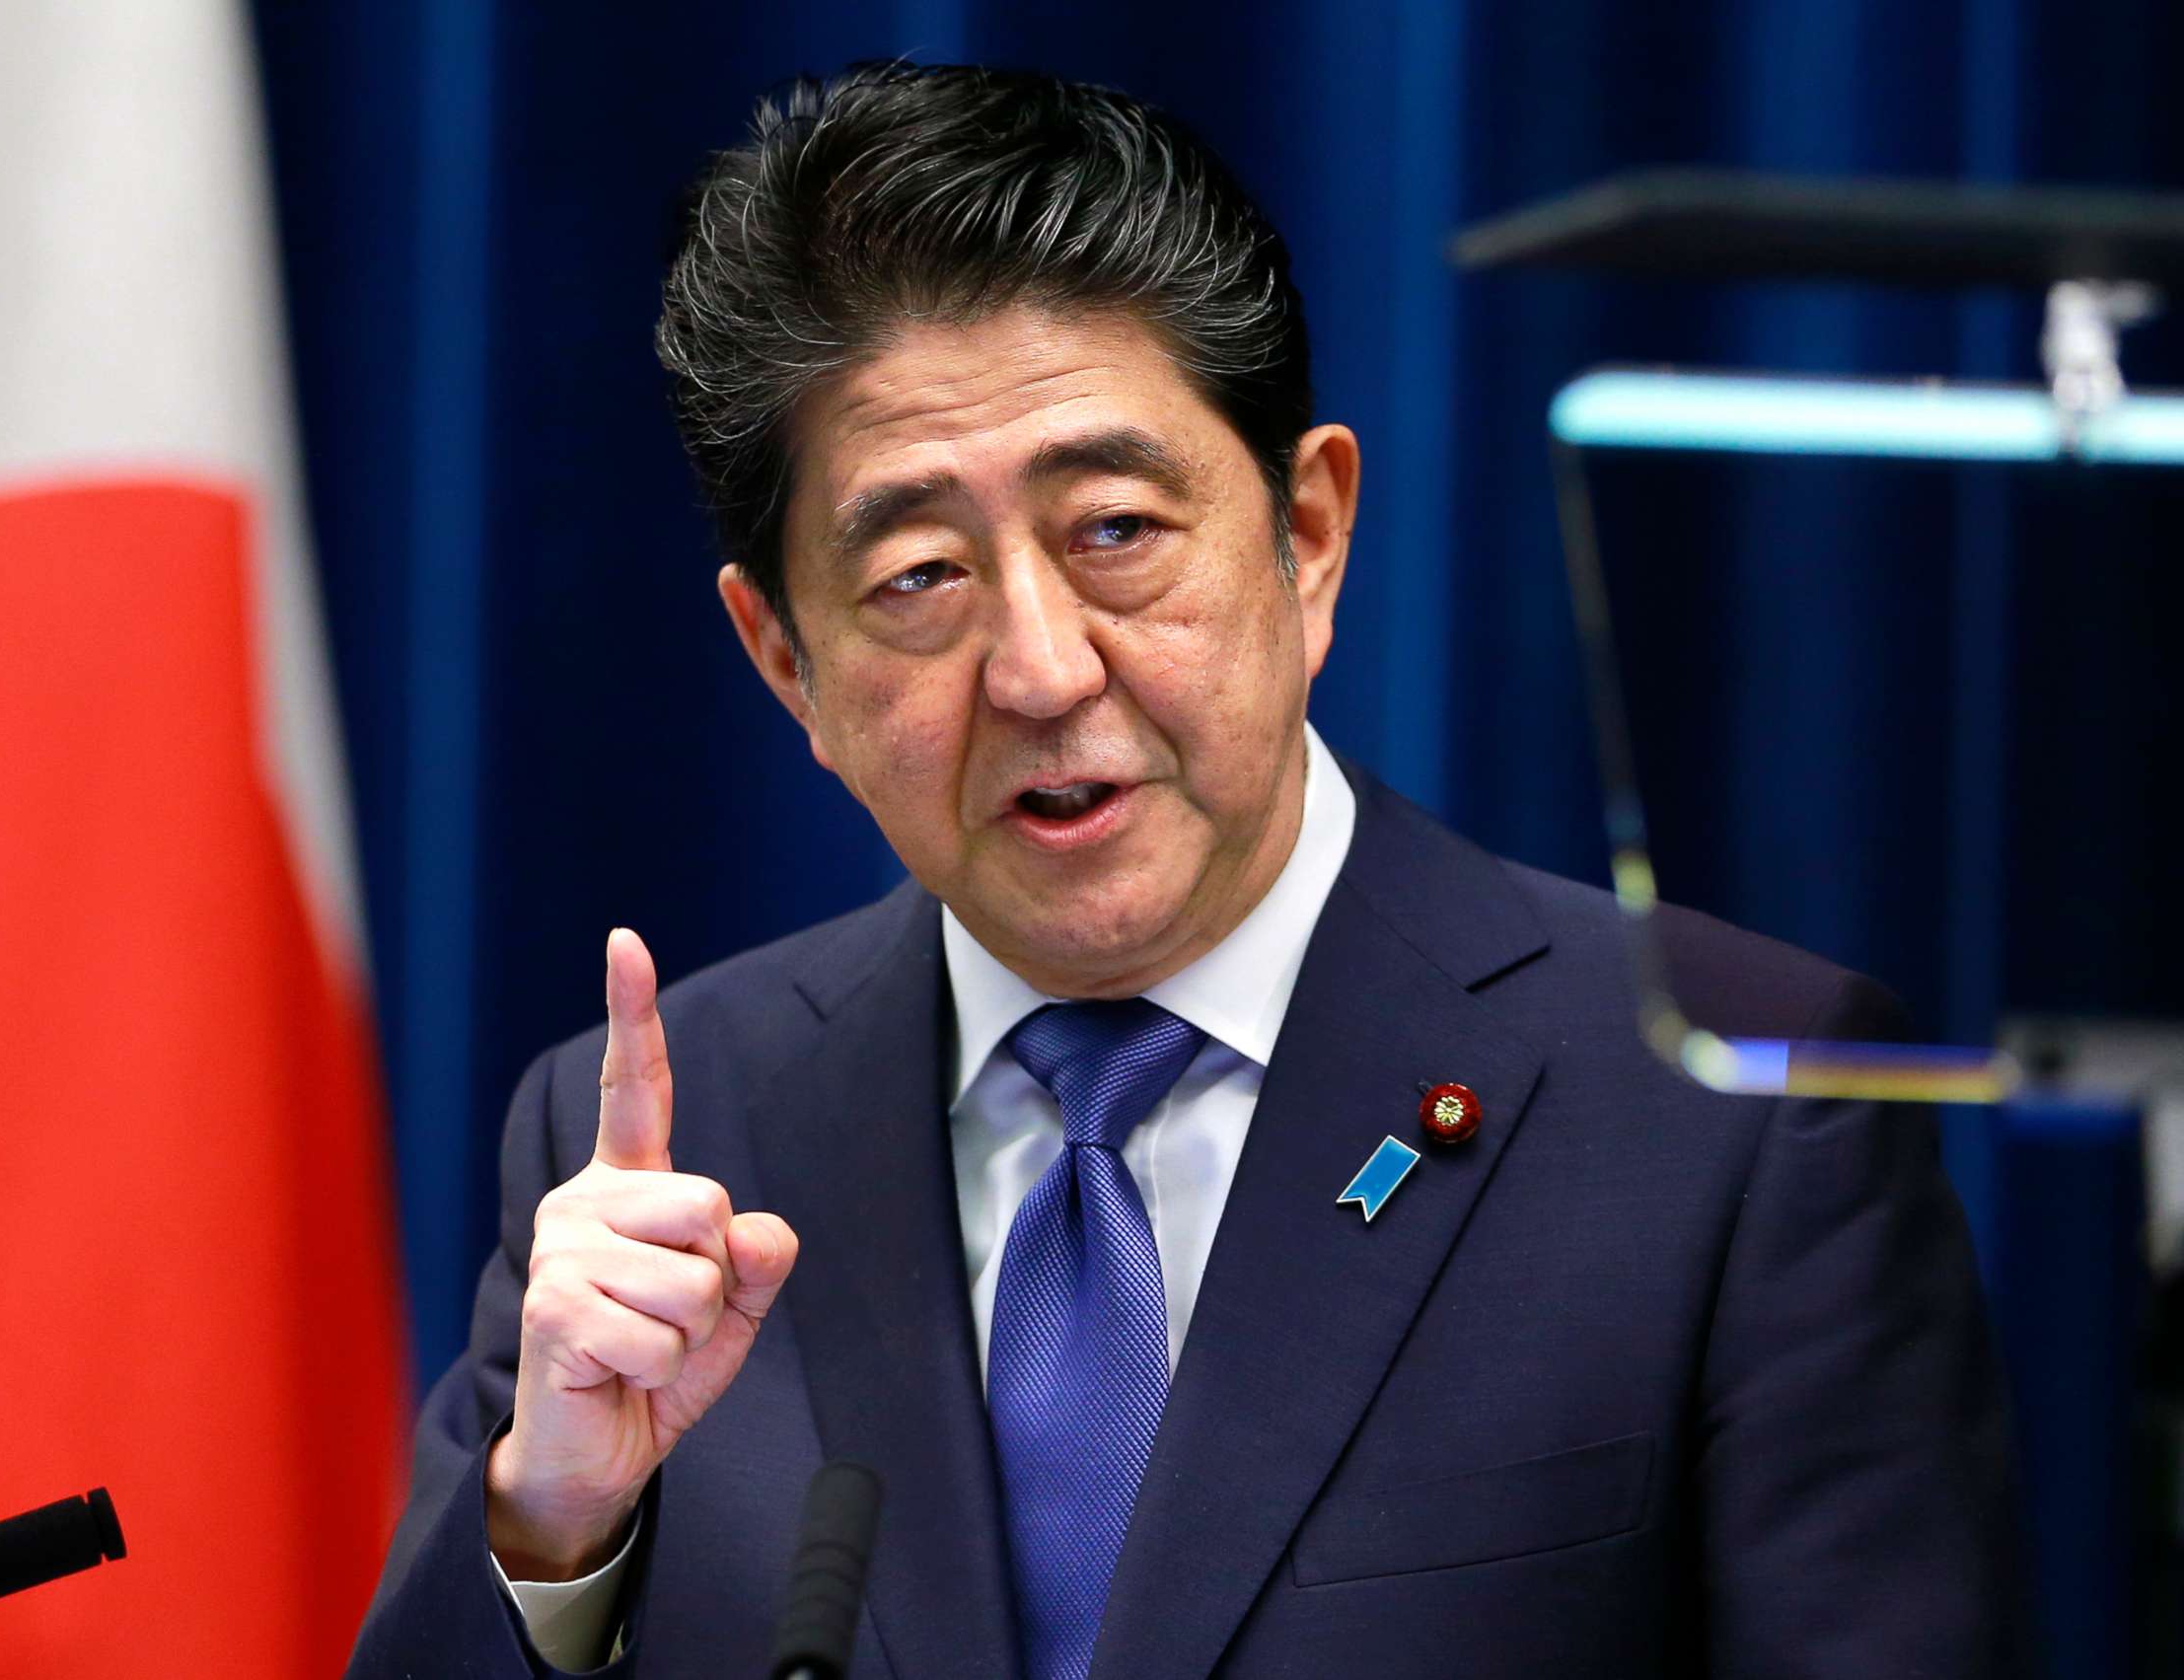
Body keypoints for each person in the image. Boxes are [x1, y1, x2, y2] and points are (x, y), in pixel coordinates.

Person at [348, 62, 2026, 1680]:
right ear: (785, 661)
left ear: (1308, 537)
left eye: (1117, 534)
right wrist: (556, 1521)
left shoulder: (1734, 1103)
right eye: (921, 576)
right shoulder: (653, 1137)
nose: (1042, 669)